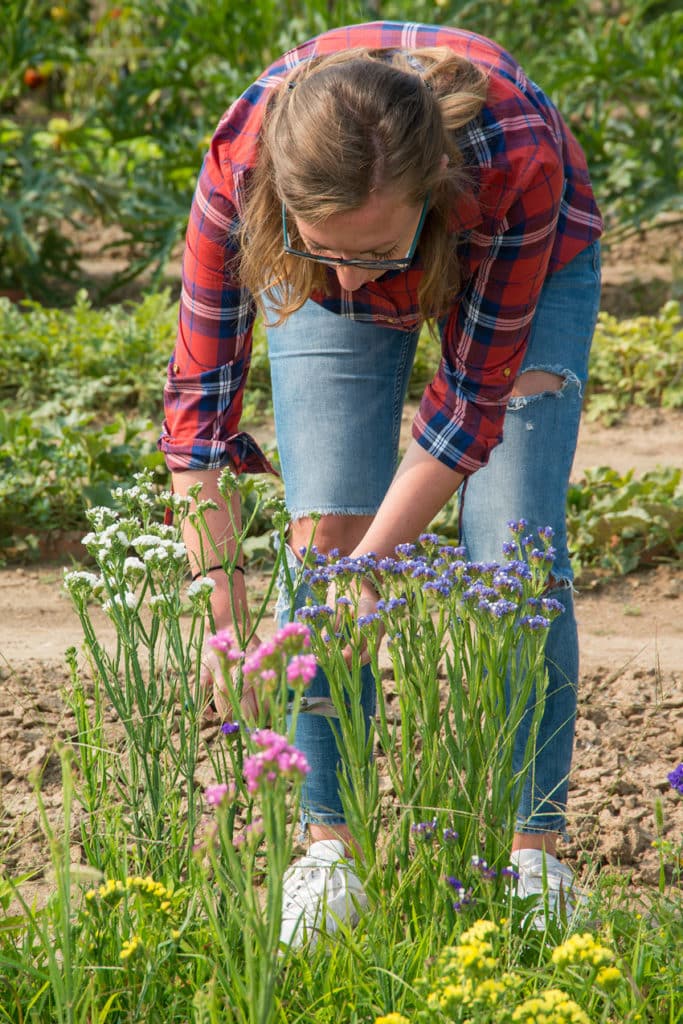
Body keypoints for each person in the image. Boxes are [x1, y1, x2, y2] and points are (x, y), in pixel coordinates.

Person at [159, 20, 602, 947]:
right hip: (345, 221)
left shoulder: (512, 160)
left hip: (518, 242)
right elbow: (199, 411)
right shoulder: (244, 169)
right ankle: (333, 857)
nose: (352, 284)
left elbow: (469, 406)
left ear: (429, 188)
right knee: (321, 535)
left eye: (372, 254)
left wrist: (374, 567)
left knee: (515, 549)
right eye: (327, 248)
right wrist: (225, 606)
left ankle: (531, 858)